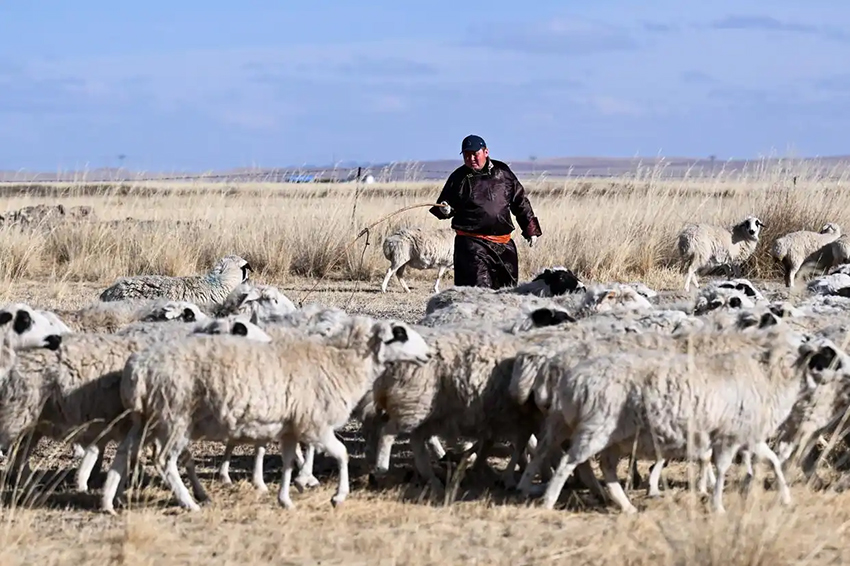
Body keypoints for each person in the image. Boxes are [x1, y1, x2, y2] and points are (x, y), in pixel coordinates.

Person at [429, 134, 542, 290]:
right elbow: (444, 207)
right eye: (467, 155)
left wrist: (531, 229)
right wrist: (444, 209)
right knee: (479, 292)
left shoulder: (503, 172)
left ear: (486, 152)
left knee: (507, 292)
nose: (471, 159)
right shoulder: (458, 177)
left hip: (503, 244)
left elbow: (520, 201)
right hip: (472, 245)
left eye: (475, 154)